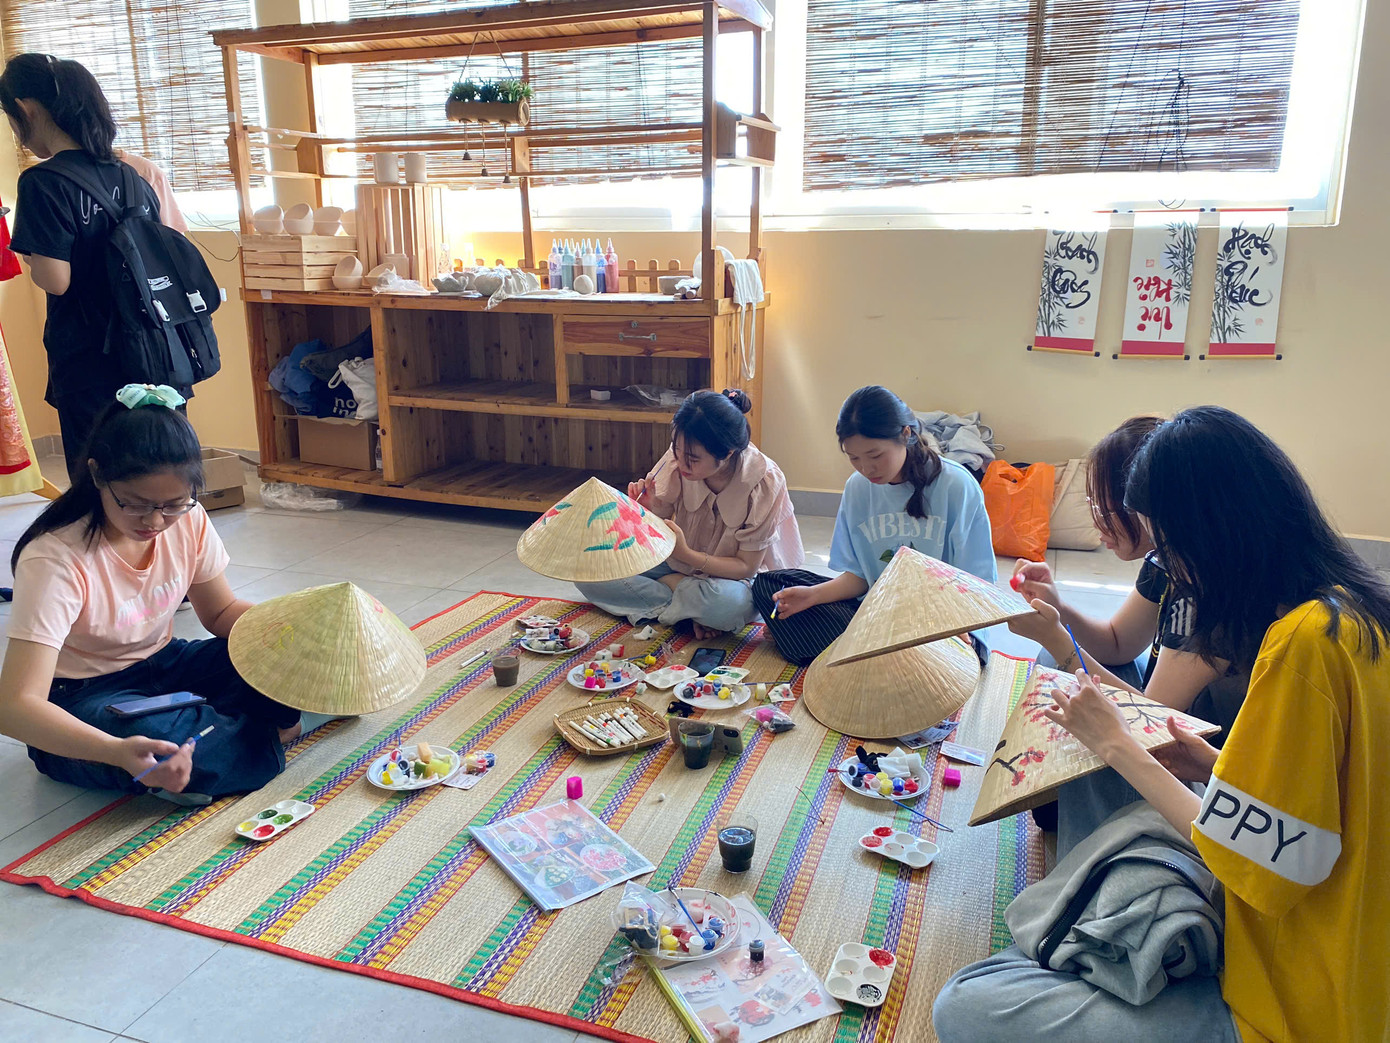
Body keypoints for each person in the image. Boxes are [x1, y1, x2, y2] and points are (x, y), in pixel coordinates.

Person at [933, 406, 1390, 1043]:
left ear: (1214, 531)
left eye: (1170, 544)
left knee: (966, 1005)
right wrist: (1210, 764)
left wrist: (1122, 746)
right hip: (1301, 937)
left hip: (1283, 1004)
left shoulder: (1300, 648)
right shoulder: (1350, 615)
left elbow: (1277, 864)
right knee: (1101, 741)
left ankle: (1148, 944)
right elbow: (1314, 818)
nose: (1167, 565)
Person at [0, 386, 314, 804]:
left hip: (165, 663)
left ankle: (214, 744)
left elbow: (220, 612)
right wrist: (115, 751)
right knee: (156, 743)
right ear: (97, 475)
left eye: (173, 505)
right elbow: (15, 706)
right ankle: (231, 738)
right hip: (84, 694)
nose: (155, 521)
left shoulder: (189, 519)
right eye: (134, 504)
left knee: (291, 663)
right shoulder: (55, 558)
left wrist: (291, 631)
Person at [1007, 415, 1253, 853]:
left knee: (1071, 677)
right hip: (1175, 720)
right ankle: (1074, 804)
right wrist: (1059, 609)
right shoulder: (1168, 560)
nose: (1097, 525)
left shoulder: (1207, 588)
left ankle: (1091, 855)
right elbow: (1118, 642)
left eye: (1108, 510)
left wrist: (1058, 639)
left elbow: (1149, 720)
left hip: (1197, 757)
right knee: (1061, 669)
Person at [0, 53, 180, 483]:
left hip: (88, 357)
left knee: (97, 480)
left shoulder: (43, 181)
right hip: (153, 352)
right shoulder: (133, 175)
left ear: (27, 108)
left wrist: (30, 254)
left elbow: (55, 280)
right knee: (155, 472)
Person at [752, 385, 995, 665]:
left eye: (875, 455)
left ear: (906, 434)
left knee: (931, 657)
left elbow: (977, 584)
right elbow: (860, 578)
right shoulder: (857, 488)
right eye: (854, 458)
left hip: (943, 623)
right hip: (878, 618)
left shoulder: (956, 486)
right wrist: (811, 597)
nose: (866, 469)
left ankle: (862, 652)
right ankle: (871, 652)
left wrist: (956, 626)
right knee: (769, 585)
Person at [575, 389, 802, 640]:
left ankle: (675, 597)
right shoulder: (679, 456)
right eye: (677, 450)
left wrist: (685, 556)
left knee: (729, 606)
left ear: (727, 453)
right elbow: (659, 534)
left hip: (732, 580)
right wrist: (650, 511)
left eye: (692, 458)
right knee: (586, 567)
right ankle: (690, 609)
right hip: (678, 564)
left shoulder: (764, 481)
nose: (682, 463)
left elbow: (745, 567)